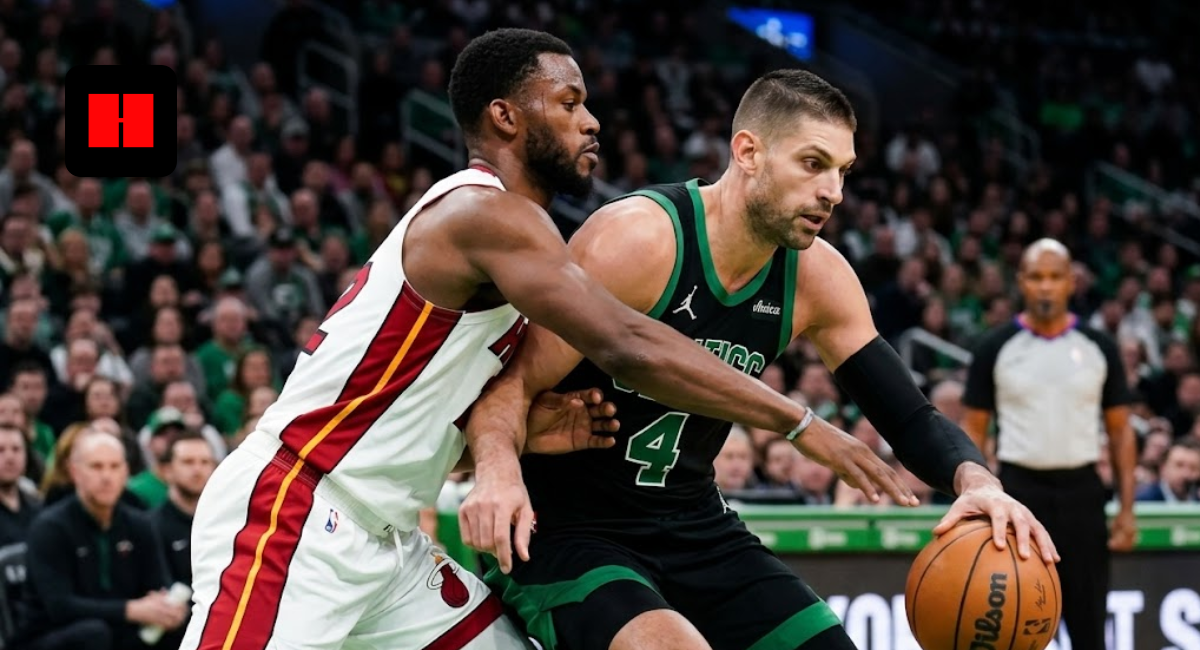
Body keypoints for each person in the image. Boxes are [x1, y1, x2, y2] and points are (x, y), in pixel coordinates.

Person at [180, 30, 908, 650]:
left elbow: (425, 393)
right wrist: (797, 420)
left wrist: (519, 438)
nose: (590, 121)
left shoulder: (528, 242)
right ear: (504, 116)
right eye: (568, 104)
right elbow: (629, 342)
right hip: (296, 506)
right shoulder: (484, 214)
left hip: (389, 539)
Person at [460, 69, 1059, 650]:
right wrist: (496, 473)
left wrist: (975, 480)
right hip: (571, 529)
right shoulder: (639, 239)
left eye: (843, 171)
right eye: (812, 163)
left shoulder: (817, 277)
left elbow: (908, 415)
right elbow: (509, 388)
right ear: (747, 152)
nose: (833, 192)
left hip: (693, 524)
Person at [962, 238, 1137, 650]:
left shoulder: (1099, 347)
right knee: (1010, 627)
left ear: (1071, 283)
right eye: (1036, 277)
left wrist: (1127, 510)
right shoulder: (994, 347)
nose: (1045, 286)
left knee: (1089, 626)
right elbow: (973, 433)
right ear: (1021, 281)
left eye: (1054, 277)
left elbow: (1120, 432)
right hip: (1018, 495)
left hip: (1083, 495)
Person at [16, 432, 185, 650]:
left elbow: (158, 584)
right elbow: (59, 606)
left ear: (126, 472)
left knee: (177, 627)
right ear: (75, 472)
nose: (107, 476)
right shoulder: (50, 527)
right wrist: (130, 609)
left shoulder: (139, 524)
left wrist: (171, 609)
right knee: (94, 633)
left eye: (114, 467)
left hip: (117, 630)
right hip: (50, 635)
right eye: (97, 467)